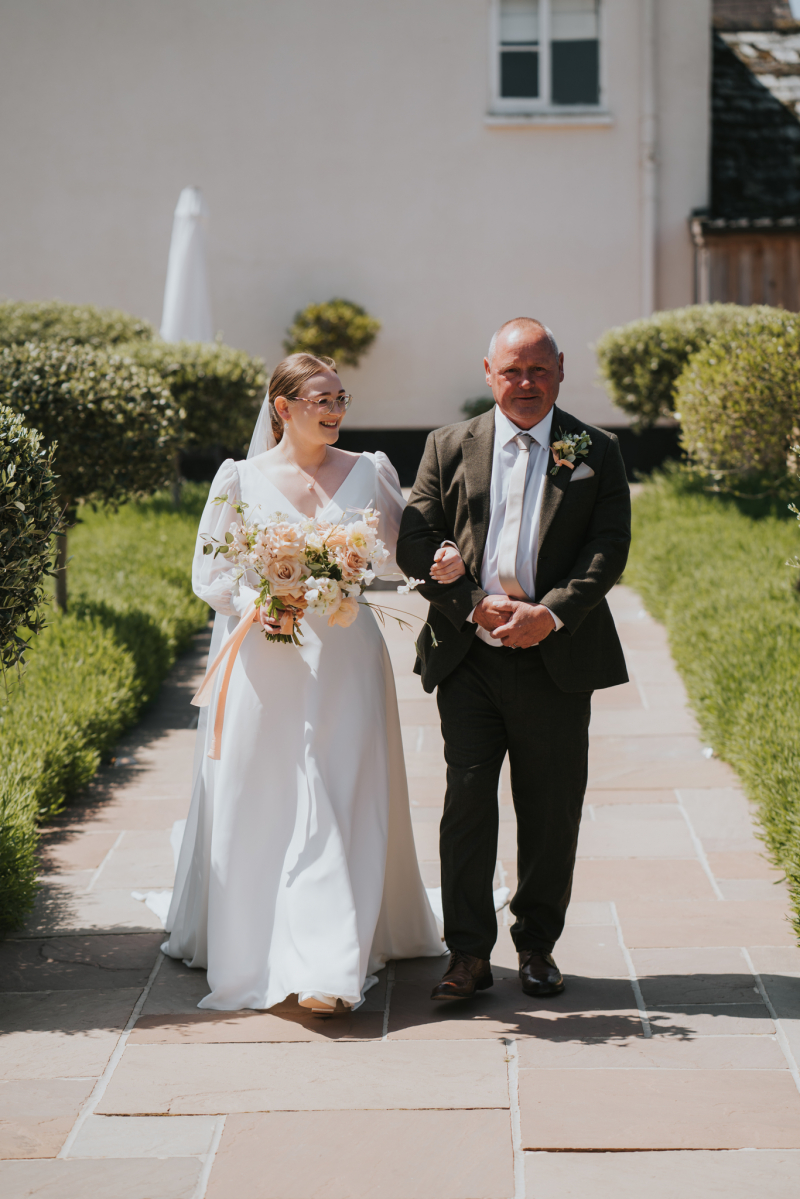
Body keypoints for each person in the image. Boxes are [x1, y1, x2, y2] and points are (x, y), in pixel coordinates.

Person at [163, 352, 462, 1013]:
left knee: (341, 788)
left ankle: (332, 963)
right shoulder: (238, 479)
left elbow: (400, 545)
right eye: (321, 399)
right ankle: (258, 934)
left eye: (340, 397)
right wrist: (252, 604)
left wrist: (439, 554)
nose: (335, 409)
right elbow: (209, 573)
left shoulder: (371, 471)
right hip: (266, 662)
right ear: (284, 407)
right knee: (265, 791)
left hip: (347, 656)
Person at [396, 318, 631, 1001]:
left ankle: (536, 945)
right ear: (489, 372)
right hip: (469, 651)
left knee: (550, 804)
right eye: (512, 371)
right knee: (467, 799)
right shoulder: (449, 445)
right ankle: (467, 953)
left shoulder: (595, 449)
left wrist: (550, 612)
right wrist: (471, 601)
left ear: (561, 369)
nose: (525, 384)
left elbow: (608, 546)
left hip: (555, 651)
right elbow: (416, 536)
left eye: (539, 370)